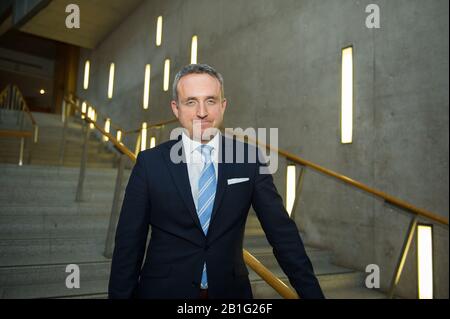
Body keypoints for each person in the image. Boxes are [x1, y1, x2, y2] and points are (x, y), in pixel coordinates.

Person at [108, 64, 324, 299]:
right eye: (191, 102)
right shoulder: (150, 163)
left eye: (210, 101)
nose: (202, 112)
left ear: (223, 106)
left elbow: (283, 236)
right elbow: (128, 247)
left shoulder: (249, 160)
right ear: (176, 108)